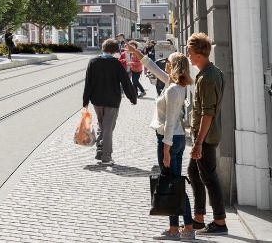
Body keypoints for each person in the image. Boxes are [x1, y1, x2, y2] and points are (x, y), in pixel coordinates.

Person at [125, 44, 195, 240]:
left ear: (174, 66)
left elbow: (171, 122)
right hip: (173, 139)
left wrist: (165, 150)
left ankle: (186, 229)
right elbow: (153, 68)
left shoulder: (174, 90)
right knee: (173, 183)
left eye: (168, 63)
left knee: (174, 184)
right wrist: (137, 53)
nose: (165, 65)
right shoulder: (173, 84)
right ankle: (177, 228)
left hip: (169, 140)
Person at [186, 33, 228, 235]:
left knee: (209, 177)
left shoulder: (207, 77)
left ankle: (220, 222)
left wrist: (198, 143)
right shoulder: (212, 72)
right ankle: (199, 218)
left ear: (200, 54)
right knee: (194, 172)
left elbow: (207, 113)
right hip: (206, 136)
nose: (188, 55)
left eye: (190, 52)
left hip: (206, 137)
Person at [82, 38, 138, 165]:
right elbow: (125, 82)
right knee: (108, 128)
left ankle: (100, 149)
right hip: (112, 100)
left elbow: (88, 83)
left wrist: (85, 101)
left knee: (102, 125)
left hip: (96, 100)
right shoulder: (116, 63)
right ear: (115, 51)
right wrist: (132, 98)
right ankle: (106, 157)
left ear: (103, 48)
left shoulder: (93, 62)